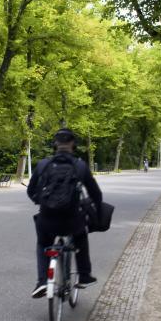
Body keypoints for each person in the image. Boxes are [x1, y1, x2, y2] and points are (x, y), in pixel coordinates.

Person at [27, 128, 103, 298]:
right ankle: (84, 276)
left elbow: (31, 190)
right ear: (73, 144)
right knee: (81, 237)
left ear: (55, 144)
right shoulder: (80, 166)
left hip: (47, 219)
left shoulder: (43, 164)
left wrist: (40, 201)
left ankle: (42, 282)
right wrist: (96, 214)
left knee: (42, 244)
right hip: (72, 220)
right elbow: (96, 194)